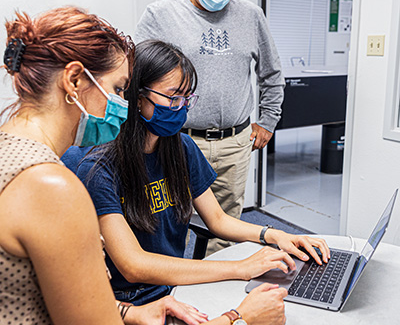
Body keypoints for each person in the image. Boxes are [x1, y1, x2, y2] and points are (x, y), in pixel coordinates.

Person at [62, 40, 329, 318]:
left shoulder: (181, 147)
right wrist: (241, 268)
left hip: (175, 283)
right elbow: (134, 265)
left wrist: (274, 235)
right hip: (132, 302)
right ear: (137, 97)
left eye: (187, 98)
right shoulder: (99, 166)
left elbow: (217, 220)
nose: (181, 107)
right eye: (173, 97)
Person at [0, 7, 210, 325]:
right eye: (117, 89)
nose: (122, 106)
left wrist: (130, 311)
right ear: (73, 80)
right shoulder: (51, 187)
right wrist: (241, 319)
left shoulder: (12, 150)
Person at [134, 0, 285, 255]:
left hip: (234, 142)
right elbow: (139, 78)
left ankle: (218, 291)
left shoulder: (251, 16)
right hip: (174, 140)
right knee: (165, 223)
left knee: (226, 228)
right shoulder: (160, 15)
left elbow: (272, 75)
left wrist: (268, 121)